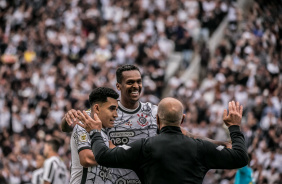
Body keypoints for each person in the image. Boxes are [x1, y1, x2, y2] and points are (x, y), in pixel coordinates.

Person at [61, 65, 231, 183]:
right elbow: (75, 126)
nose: (136, 86)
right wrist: (66, 121)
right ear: (118, 86)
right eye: (130, 82)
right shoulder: (105, 114)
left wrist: (220, 144)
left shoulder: (154, 112)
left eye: (139, 81)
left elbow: (185, 135)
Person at [78, 99, 248, 184]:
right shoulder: (200, 148)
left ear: (157, 120)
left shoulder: (144, 146)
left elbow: (103, 156)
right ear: (182, 120)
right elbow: (240, 157)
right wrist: (234, 127)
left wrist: (95, 131)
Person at [69, 87, 119, 184]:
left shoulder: (105, 132)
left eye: (116, 109)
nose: (116, 114)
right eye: (112, 109)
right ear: (96, 108)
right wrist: (113, 152)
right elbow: (86, 159)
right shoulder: (84, 125)